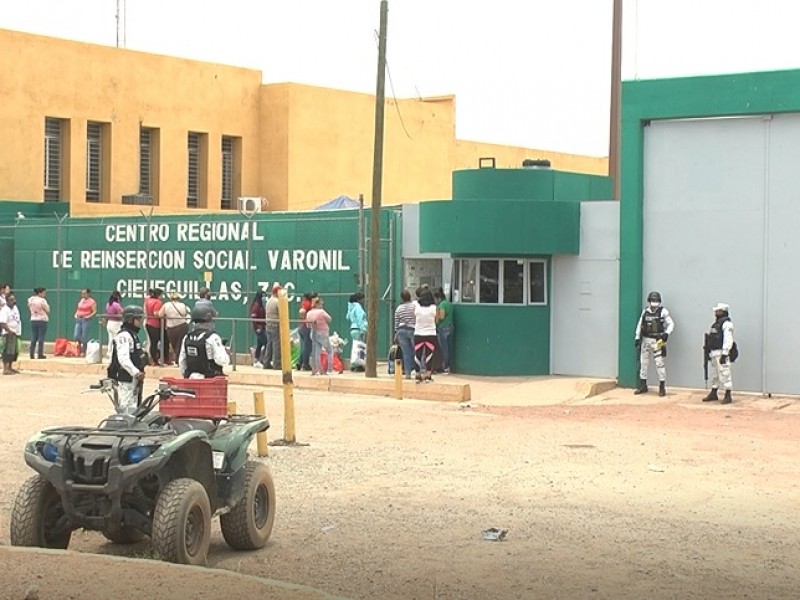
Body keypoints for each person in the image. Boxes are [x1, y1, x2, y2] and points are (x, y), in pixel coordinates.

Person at [633, 290, 675, 397]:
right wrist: (637, 337)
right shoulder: (645, 312)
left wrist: (666, 333)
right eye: (652, 300)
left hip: (657, 341)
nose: (654, 302)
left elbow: (671, 324)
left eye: (656, 300)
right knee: (644, 363)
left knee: (659, 363)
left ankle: (662, 386)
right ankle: (643, 385)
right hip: (646, 340)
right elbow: (640, 324)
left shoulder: (663, 312)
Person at [107, 305, 146, 415]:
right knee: (126, 406)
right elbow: (123, 358)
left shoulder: (133, 335)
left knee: (134, 405)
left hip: (134, 379)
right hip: (126, 378)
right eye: (138, 319)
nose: (140, 322)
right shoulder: (124, 336)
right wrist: (136, 372)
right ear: (130, 319)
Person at [179, 304, 230, 379]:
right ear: (209, 320)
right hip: (210, 381)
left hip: (190, 380)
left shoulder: (187, 337)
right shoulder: (213, 337)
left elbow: (182, 361)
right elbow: (222, 360)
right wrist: (226, 352)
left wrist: (186, 376)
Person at [703, 303, 735, 405]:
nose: (716, 313)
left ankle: (728, 394)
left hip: (721, 352)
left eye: (718, 311)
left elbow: (728, 339)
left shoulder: (726, 324)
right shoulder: (716, 324)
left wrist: (725, 353)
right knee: (715, 374)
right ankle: (714, 392)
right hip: (714, 352)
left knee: (725, 373)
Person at [158, 291, 190, 364]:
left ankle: (177, 359)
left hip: (171, 328)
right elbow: (185, 314)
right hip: (182, 326)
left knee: (174, 345)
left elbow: (160, 314)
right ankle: (179, 360)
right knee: (180, 344)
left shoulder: (166, 305)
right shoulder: (182, 305)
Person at [414, 289, 438, 382]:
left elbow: (414, 316)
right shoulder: (433, 308)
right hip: (431, 334)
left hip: (418, 333)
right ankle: (427, 375)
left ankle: (417, 374)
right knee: (429, 355)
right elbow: (437, 319)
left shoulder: (417, 307)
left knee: (417, 354)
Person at [306, 295, 333, 376]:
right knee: (330, 351)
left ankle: (318, 370)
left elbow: (308, 325)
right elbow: (330, 319)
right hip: (323, 333)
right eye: (321, 303)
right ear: (317, 304)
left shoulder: (309, 313)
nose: (322, 305)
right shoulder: (321, 312)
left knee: (317, 352)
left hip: (313, 332)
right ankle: (330, 370)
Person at [393, 289, 416, 378]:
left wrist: (396, 334)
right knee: (416, 351)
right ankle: (417, 369)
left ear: (402, 298)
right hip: (412, 329)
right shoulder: (414, 307)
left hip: (401, 330)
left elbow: (396, 322)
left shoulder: (399, 308)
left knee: (406, 352)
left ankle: (407, 373)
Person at [144, 288, 168, 366]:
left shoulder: (148, 301)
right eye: (162, 295)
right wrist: (163, 315)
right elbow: (156, 313)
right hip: (156, 325)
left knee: (153, 343)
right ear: (159, 295)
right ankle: (163, 359)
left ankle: (154, 360)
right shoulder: (158, 302)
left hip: (148, 323)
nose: (162, 297)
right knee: (164, 341)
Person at [0, 294, 22, 374]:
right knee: (7, 351)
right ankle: (5, 369)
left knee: (13, 352)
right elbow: (2, 322)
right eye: (11, 300)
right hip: (8, 334)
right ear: (7, 301)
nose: (14, 301)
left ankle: (10, 367)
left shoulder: (15, 308)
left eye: (14, 299)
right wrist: (9, 331)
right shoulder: (4, 310)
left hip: (16, 333)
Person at [263, 284, 282, 369]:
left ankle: (266, 362)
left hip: (268, 324)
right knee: (276, 345)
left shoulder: (269, 301)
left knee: (269, 345)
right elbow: (281, 313)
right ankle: (277, 364)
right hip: (275, 324)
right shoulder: (277, 301)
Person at [434, 289, 454, 374]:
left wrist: (436, 321)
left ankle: (444, 366)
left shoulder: (442, 305)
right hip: (450, 326)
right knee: (449, 347)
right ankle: (449, 365)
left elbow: (441, 316)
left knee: (443, 348)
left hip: (443, 328)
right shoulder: (449, 304)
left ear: (438, 298)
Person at [73, 288, 97, 356]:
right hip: (78, 319)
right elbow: (78, 308)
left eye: (84, 293)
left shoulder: (92, 301)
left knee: (84, 336)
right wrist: (76, 314)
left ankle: (84, 351)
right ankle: (78, 349)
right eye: (82, 293)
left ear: (88, 294)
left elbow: (94, 311)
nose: (82, 294)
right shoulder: (81, 300)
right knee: (76, 335)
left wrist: (89, 316)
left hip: (86, 320)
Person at [27, 287, 49, 359]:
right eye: (43, 292)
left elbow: (28, 306)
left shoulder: (31, 299)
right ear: (40, 293)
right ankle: (40, 354)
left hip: (33, 318)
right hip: (42, 319)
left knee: (34, 337)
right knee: (41, 337)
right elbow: (48, 310)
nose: (45, 294)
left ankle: (31, 353)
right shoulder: (42, 300)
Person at [297, 291, 316, 371]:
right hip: (306, 327)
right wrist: (305, 318)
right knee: (307, 347)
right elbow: (302, 311)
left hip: (302, 327)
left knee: (305, 347)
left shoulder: (307, 303)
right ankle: (305, 364)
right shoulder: (307, 303)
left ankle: (300, 363)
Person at [249, 289, 268, 366]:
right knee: (267, 343)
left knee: (259, 345)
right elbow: (254, 318)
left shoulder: (260, 305)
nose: (264, 298)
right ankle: (262, 359)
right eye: (263, 296)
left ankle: (257, 360)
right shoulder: (256, 306)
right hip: (259, 328)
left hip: (262, 327)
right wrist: (257, 328)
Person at [104, 290, 123, 358]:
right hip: (116, 323)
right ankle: (115, 353)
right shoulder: (116, 305)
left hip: (109, 323)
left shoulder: (108, 304)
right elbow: (121, 313)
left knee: (110, 339)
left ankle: (109, 352)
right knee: (116, 339)